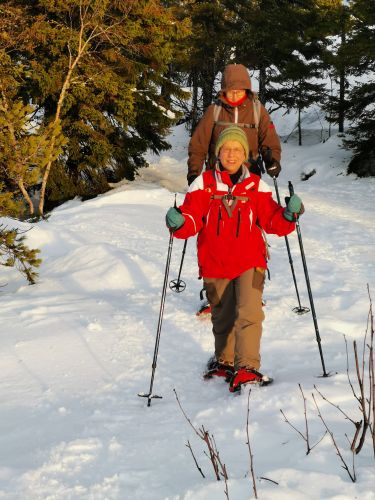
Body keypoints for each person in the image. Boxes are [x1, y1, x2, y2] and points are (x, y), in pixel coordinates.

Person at [166, 126, 304, 393]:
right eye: (226, 149)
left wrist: (289, 215)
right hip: (215, 262)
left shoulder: (256, 185)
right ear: (218, 153)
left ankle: (247, 368)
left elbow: (272, 220)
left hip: (250, 262)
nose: (231, 154)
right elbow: (192, 219)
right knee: (222, 315)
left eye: (237, 150)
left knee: (249, 314)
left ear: (245, 155)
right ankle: (224, 362)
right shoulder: (203, 184)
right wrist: (179, 222)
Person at [187, 63, 282, 187]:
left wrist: (272, 161)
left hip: (249, 174)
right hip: (216, 176)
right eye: (231, 91)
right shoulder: (214, 110)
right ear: (224, 91)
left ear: (246, 90)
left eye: (240, 91)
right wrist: (194, 173)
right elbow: (198, 145)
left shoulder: (258, 111)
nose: (235, 94)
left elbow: (270, 142)